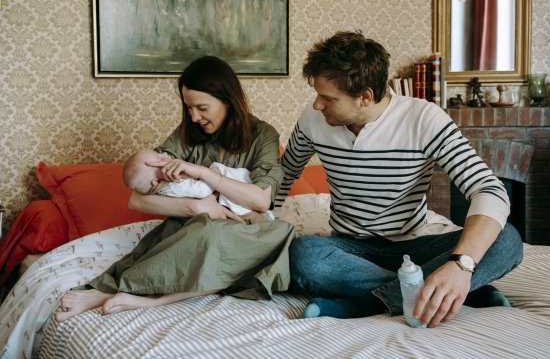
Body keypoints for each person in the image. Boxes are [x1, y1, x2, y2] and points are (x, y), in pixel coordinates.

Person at [275, 31, 523, 328]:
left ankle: (366, 303)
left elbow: (489, 189)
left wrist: (460, 265)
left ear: (364, 96)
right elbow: (283, 177)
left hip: (415, 247)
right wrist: (251, 217)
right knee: (302, 255)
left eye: (327, 98)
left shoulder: (424, 118)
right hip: (349, 249)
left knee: (507, 240)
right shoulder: (312, 121)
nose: (317, 104)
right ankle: (444, 292)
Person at [56, 56, 294, 322]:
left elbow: (261, 201)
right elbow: (137, 198)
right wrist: (197, 206)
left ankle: (137, 298)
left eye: (201, 107)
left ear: (227, 99)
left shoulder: (264, 136)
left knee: (273, 235)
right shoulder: (188, 134)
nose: (194, 117)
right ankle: (122, 291)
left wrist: (202, 172)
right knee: (194, 235)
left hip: (245, 229)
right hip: (198, 225)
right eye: (189, 108)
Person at [122, 149, 260, 216]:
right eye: (158, 158)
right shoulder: (173, 186)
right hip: (227, 202)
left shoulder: (167, 183)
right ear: (155, 181)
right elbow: (202, 191)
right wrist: (211, 175)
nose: (164, 154)